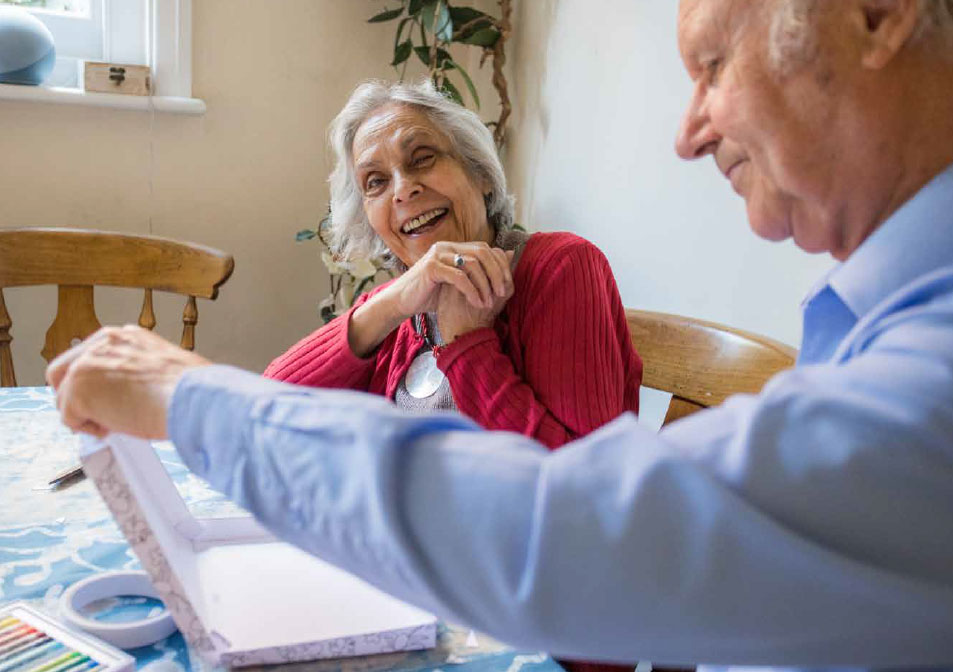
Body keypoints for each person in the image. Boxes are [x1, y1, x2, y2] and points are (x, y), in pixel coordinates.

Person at [47, 1, 953, 671]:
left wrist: (194, 396)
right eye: (374, 181)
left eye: (712, 64)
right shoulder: (870, 312)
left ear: (874, 14)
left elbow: (576, 530)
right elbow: (290, 392)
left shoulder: (554, 270)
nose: (687, 133)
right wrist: (384, 311)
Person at [263, 80, 642, 449]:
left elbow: (585, 488)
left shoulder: (559, 266)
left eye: (422, 158)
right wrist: (391, 304)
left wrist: (467, 345)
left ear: (480, 174)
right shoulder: (402, 306)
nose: (402, 189)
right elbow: (267, 410)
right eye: (375, 182)